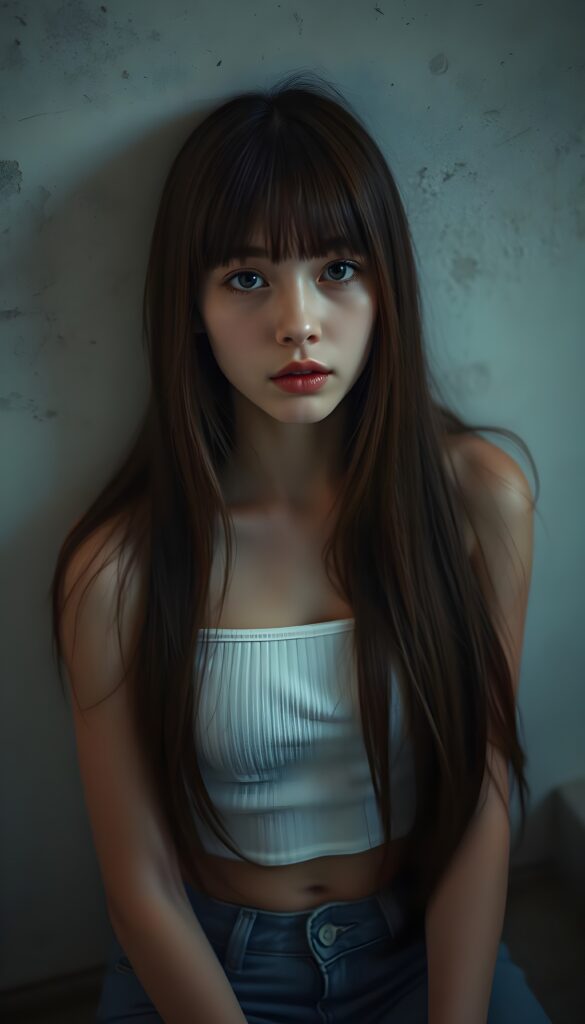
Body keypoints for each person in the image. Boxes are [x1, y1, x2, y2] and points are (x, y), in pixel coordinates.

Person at [51, 71, 550, 1022]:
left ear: (384, 282)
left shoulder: (479, 500)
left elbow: (483, 794)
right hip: (215, 968)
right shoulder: (117, 570)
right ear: (190, 310)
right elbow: (141, 882)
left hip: (422, 947)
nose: (297, 321)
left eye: (336, 268)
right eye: (246, 278)